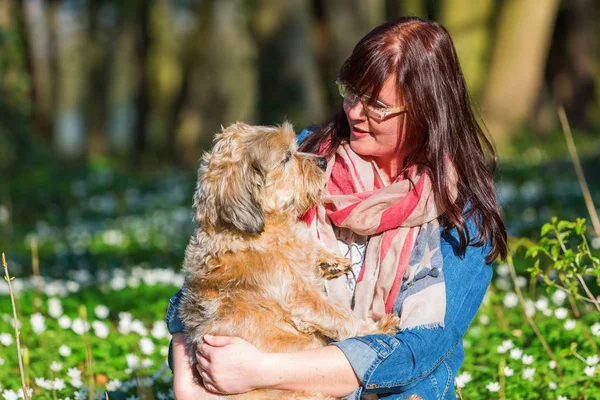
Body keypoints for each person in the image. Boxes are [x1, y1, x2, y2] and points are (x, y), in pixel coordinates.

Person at [167, 16, 507, 400]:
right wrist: (188, 380)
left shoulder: (461, 217)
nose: (355, 112)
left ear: (426, 110)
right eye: (351, 92)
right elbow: (213, 280)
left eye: (377, 104)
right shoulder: (304, 158)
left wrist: (260, 371)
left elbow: (416, 354)